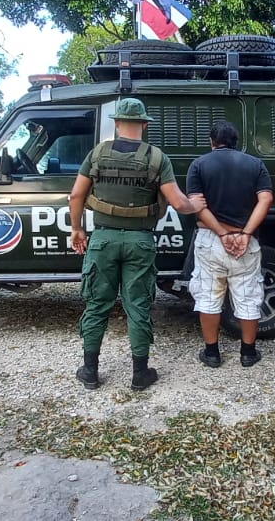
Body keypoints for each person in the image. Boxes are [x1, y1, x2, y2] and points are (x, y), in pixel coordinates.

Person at [69, 98, 206, 391]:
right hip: (139, 242)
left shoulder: (97, 154)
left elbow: (76, 196)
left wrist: (77, 229)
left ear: (117, 124)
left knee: (97, 304)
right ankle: (140, 373)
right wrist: (194, 205)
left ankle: (90, 371)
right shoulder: (157, 158)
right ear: (144, 125)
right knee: (139, 306)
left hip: (103, 239)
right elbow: (178, 202)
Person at [186, 121, 273, 368]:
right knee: (248, 296)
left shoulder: (199, 165)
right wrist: (245, 233)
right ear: (237, 142)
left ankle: (212, 353)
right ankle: (248, 352)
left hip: (210, 240)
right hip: (246, 241)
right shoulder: (255, 165)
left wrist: (222, 233)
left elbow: (197, 205)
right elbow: (266, 199)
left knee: (208, 296)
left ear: (212, 142)